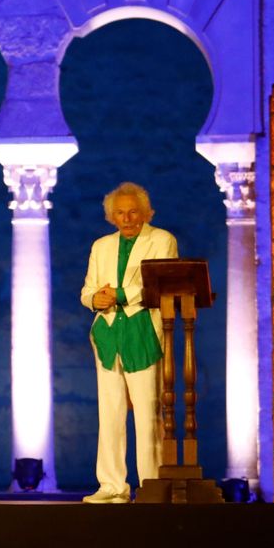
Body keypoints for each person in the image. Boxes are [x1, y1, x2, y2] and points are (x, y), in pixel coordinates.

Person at [79, 182, 177, 503]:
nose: (127, 218)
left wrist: (119, 294)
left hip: (142, 333)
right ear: (111, 216)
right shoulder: (101, 246)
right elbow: (87, 291)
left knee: (148, 414)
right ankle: (112, 487)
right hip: (109, 334)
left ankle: (152, 485)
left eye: (133, 212)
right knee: (110, 414)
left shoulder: (161, 240)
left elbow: (159, 283)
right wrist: (95, 299)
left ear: (146, 213)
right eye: (120, 213)